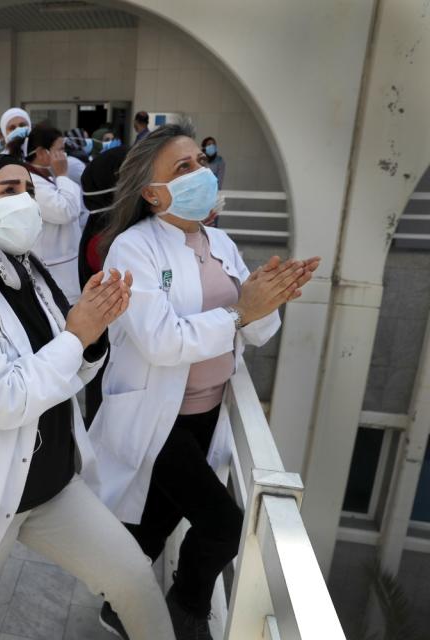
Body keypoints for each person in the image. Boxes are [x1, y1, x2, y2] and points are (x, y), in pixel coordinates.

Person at [0, 153, 175, 640]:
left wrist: (91, 328)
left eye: (28, 188)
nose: (24, 199)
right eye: (7, 190)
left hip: (49, 486)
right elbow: (4, 399)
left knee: (132, 578)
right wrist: (75, 335)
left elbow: (67, 367)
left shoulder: (27, 273)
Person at [85, 123, 319, 640]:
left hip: (208, 410)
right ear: (152, 192)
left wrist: (267, 301)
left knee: (158, 521)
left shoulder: (220, 241)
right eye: (183, 167)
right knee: (222, 524)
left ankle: (115, 603)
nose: (201, 173)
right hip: (156, 417)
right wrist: (239, 312)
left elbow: (256, 332)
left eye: (200, 162)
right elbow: (161, 341)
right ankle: (188, 608)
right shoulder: (134, 248)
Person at [78, 139, 129, 426]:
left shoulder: (106, 225)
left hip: (108, 338)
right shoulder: (103, 237)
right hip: (107, 340)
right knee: (104, 405)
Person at [23, 125, 84, 304]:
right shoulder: (31, 183)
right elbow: (66, 211)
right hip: (55, 273)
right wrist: (63, 175)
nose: (64, 156)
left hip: (63, 269)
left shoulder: (45, 177)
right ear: (42, 152)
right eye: (60, 150)